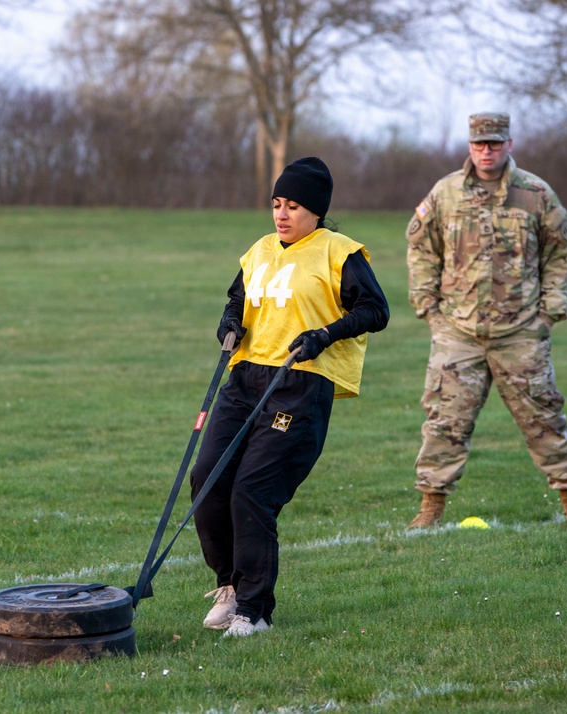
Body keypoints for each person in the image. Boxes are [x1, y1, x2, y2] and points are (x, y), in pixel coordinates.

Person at [189, 157, 390, 637]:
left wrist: (324, 334)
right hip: (244, 378)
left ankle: (254, 611)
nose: (281, 214)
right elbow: (238, 299)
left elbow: (375, 310)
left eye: (293, 206)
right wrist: (230, 322)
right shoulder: (259, 249)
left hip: (299, 382)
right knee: (207, 478)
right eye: (277, 203)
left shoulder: (339, 252)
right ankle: (230, 586)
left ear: (316, 211)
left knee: (253, 491)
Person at [405, 112, 567, 530]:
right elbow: (421, 250)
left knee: (544, 419)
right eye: (479, 144)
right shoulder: (446, 193)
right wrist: (430, 310)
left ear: (509, 144)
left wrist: (549, 314)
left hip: (521, 332)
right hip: (458, 332)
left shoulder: (535, 194)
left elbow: (560, 255)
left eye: (494, 143)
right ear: (469, 147)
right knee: (444, 422)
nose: (486, 151)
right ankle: (430, 509)